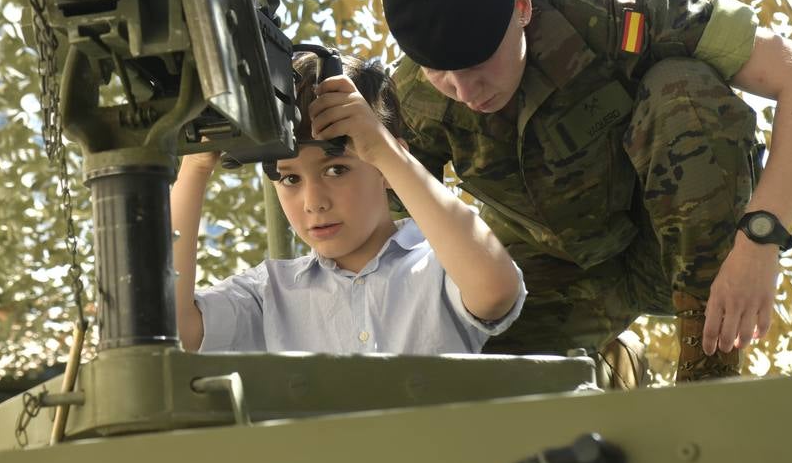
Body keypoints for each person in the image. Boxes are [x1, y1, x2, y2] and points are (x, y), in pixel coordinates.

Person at [378, 0, 792, 381]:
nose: (465, 90)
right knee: (455, 371)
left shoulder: (611, 17)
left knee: (684, 88)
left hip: (673, 254)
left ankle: (708, 373)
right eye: (440, 71)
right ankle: (616, 371)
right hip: (549, 276)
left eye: (481, 60)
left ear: (522, 6)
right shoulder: (415, 101)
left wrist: (758, 245)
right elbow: (383, 233)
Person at [171, 51, 526, 355]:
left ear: (387, 162)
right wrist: (196, 163)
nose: (314, 203)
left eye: (336, 169)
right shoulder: (268, 295)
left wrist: (382, 148)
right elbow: (171, 326)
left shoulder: (441, 264)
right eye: (290, 179)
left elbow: (495, 290)